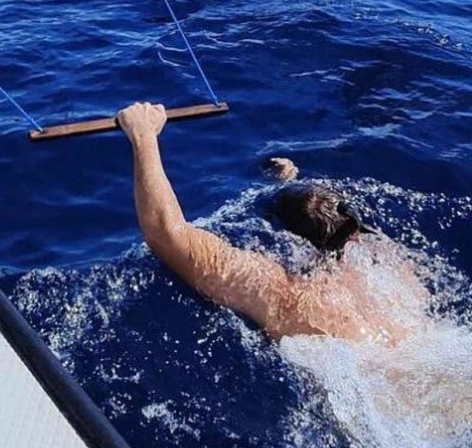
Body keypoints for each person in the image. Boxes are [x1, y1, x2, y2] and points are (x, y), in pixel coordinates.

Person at [117, 102, 432, 345]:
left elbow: (165, 232)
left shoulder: (286, 292)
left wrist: (144, 137)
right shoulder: (388, 266)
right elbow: (329, 227)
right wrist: (289, 186)